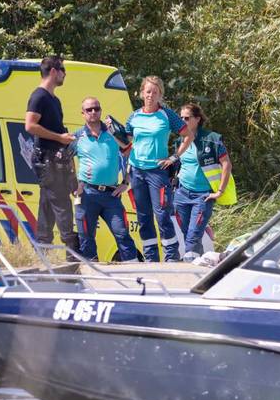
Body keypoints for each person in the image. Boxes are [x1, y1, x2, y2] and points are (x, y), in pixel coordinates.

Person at [121, 76, 192, 261]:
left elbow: (188, 135)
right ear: (142, 93)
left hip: (157, 172)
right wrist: (113, 132)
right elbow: (125, 142)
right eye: (148, 91)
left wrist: (174, 157)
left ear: (160, 94)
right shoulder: (134, 117)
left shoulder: (167, 115)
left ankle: (171, 257)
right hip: (137, 171)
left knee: (162, 215)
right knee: (143, 217)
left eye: (155, 92)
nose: (151, 95)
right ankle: (151, 258)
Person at [25, 56, 80, 253]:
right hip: (47, 161)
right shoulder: (39, 96)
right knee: (63, 205)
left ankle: (42, 251)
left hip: (56, 159)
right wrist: (59, 137)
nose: (65, 74)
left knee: (47, 207)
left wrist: (64, 140)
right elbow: (30, 125)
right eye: (63, 69)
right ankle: (73, 255)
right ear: (54, 71)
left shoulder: (54, 100)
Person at [73, 97, 138, 262]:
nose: (93, 112)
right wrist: (74, 184)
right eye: (89, 110)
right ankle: (92, 275)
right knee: (86, 238)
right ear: (83, 114)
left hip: (111, 195)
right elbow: (63, 160)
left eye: (96, 108)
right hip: (87, 194)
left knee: (122, 234)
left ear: (101, 110)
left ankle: (135, 272)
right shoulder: (77, 137)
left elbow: (132, 155)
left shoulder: (113, 133)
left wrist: (125, 182)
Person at [173, 103, 231, 261]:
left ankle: (189, 264)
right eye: (181, 118)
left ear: (197, 119)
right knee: (187, 233)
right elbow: (176, 165)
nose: (182, 121)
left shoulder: (211, 139)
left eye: (187, 118)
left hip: (203, 196)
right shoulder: (180, 141)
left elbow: (226, 164)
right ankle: (199, 262)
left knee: (193, 234)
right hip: (182, 193)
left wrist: (219, 191)